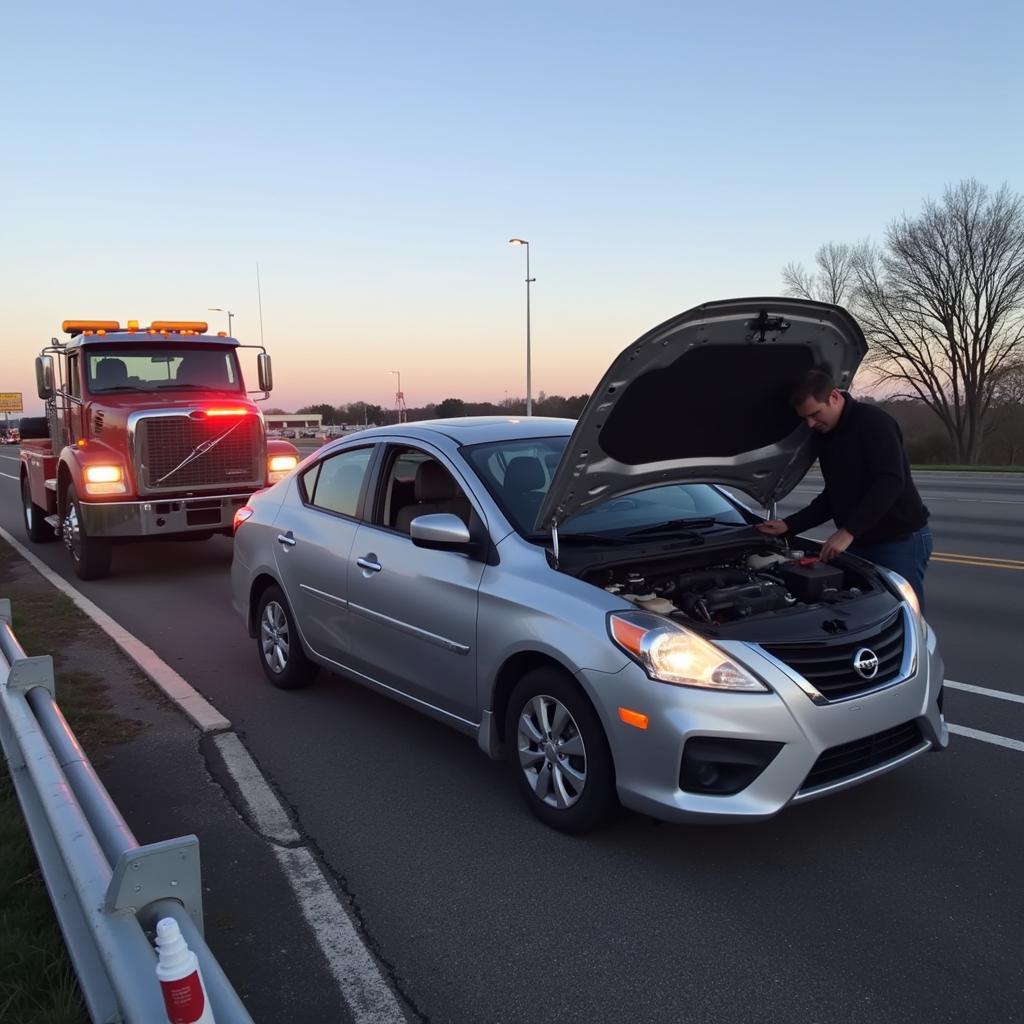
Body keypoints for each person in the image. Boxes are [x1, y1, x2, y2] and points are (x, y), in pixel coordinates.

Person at [757, 367, 933, 609]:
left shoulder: (874, 423)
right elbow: (834, 495)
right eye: (804, 418)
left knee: (902, 612)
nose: (810, 423)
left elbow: (890, 482)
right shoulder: (826, 435)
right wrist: (790, 525)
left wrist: (847, 532)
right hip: (860, 542)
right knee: (862, 612)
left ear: (835, 397)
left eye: (815, 414)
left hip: (898, 540)